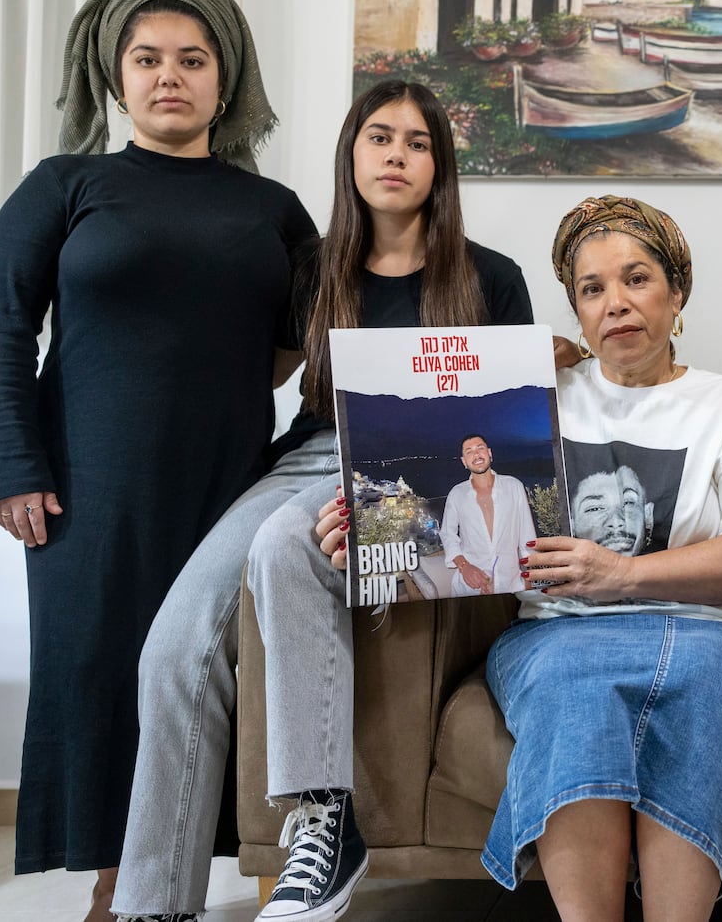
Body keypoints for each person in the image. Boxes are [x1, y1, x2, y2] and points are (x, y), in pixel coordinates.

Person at [109, 80, 531, 922]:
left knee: (282, 543)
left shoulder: (492, 277)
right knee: (172, 650)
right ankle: (154, 904)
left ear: (439, 166)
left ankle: (326, 818)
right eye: (380, 137)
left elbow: (506, 436)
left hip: (418, 473)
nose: (397, 155)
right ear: (353, 154)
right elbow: (242, 371)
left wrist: (384, 508)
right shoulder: (311, 270)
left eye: (418, 142)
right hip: (305, 458)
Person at [0, 0, 316, 922]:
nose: (170, 76)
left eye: (192, 59)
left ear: (225, 81)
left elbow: (302, 338)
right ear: (117, 78)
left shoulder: (274, 209)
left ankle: (206, 866)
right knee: (97, 667)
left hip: (226, 482)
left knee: (208, 673)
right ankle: (120, 880)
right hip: (86, 480)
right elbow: (4, 329)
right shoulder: (62, 186)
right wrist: (13, 465)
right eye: (149, 59)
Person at [460, 195, 722, 921]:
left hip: (710, 631)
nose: (615, 302)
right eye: (592, 288)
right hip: (555, 630)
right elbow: (446, 489)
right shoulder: (531, 397)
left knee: (707, 682)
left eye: (637, 279)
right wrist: (367, 526)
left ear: (676, 293)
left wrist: (624, 574)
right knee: (572, 685)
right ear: (576, 312)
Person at [441, 433, 538, 596]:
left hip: (512, 582)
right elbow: (447, 534)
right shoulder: (456, 494)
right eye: (469, 451)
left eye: (480, 448)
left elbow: (527, 536)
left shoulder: (514, 486)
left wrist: (530, 578)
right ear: (464, 462)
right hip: (470, 584)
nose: (476, 454)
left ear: (490, 453)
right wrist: (465, 567)